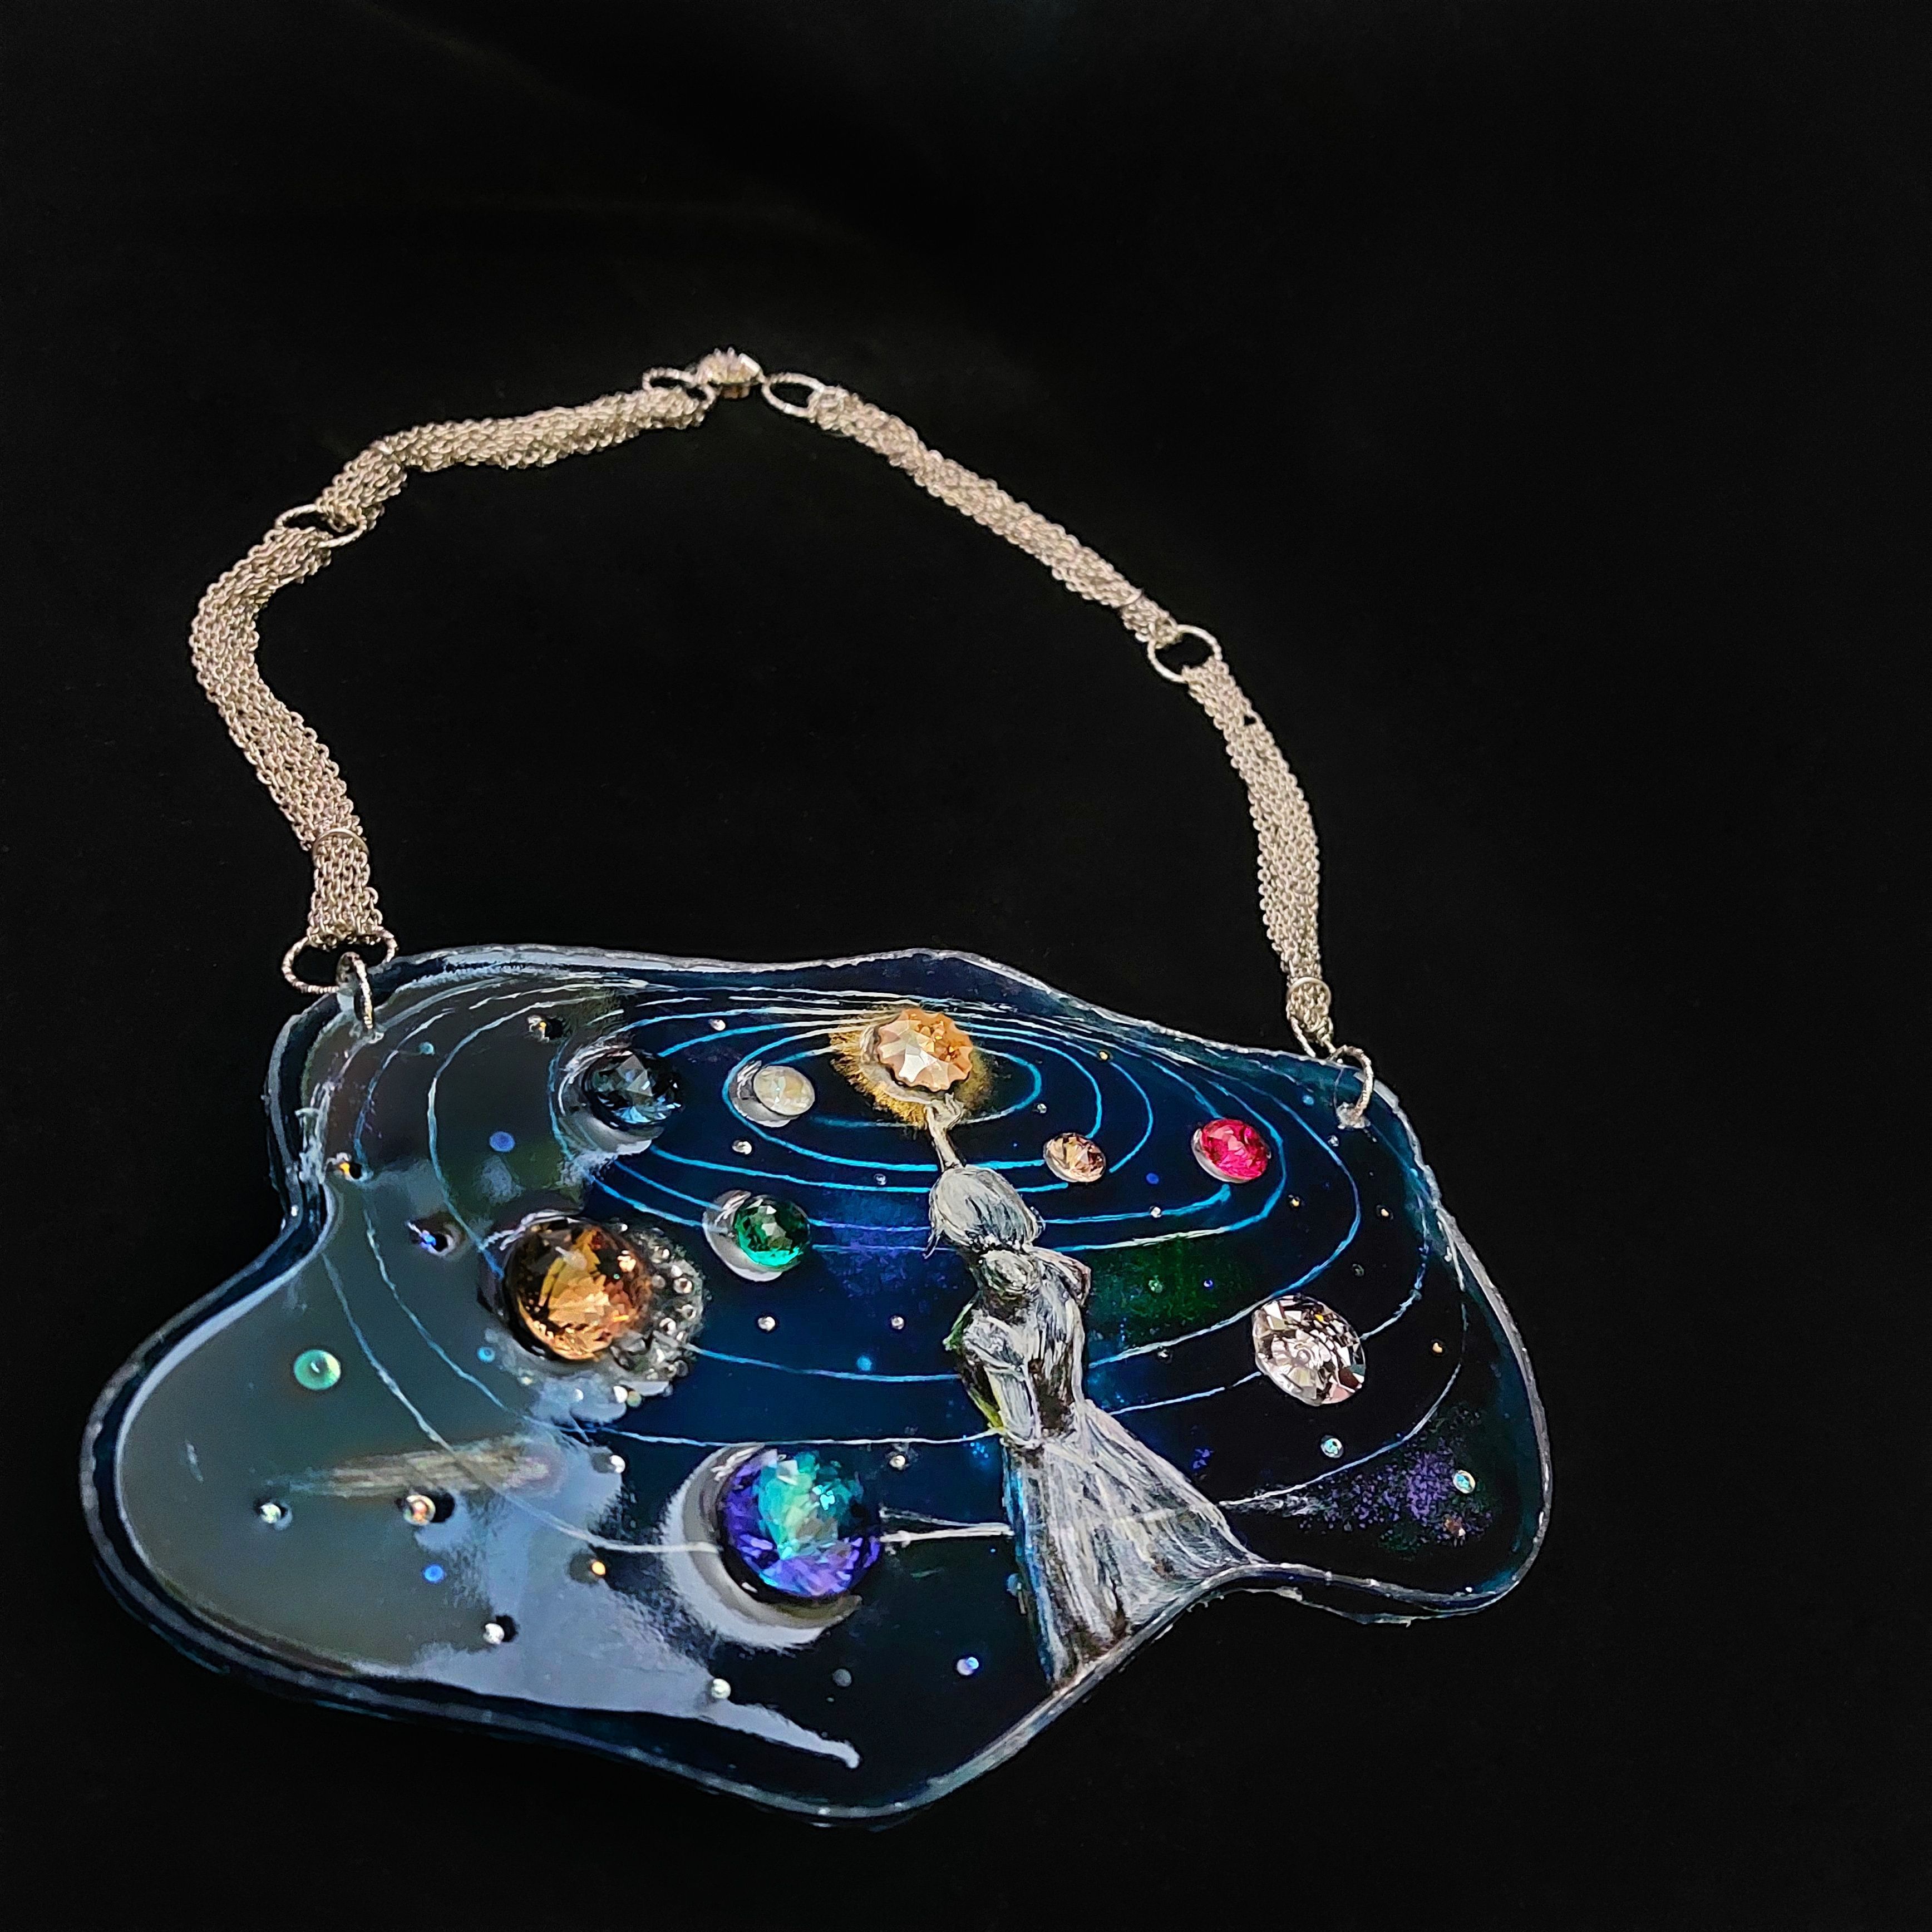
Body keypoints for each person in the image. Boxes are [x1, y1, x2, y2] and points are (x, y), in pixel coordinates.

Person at [931, 1164, 1250, 1685]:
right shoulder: (1062, 1275)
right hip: (1091, 1429)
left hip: (1047, 1466)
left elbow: (1025, 1432)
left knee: (1086, 1597)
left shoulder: (986, 1334)